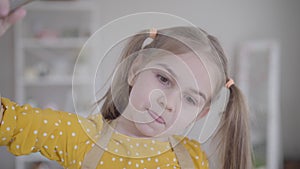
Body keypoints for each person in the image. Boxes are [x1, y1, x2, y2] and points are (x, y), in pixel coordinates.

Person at [0, 1, 252, 169]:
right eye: (164, 79)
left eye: (190, 99)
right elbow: (9, 122)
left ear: (201, 113)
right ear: (135, 69)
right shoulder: (81, 137)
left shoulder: (194, 158)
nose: (168, 103)